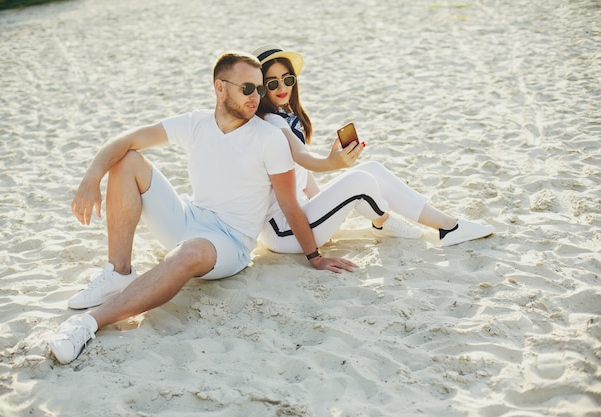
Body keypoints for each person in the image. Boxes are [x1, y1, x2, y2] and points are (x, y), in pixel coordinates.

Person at [47, 51, 357, 364]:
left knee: (190, 252)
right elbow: (127, 139)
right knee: (127, 160)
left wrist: (314, 257)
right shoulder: (195, 123)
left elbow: (290, 203)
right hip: (189, 217)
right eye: (247, 88)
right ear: (220, 88)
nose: (256, 97)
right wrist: (91, 178)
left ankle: (88, 323)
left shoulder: (269, 138)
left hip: (229, 242)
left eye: (260, 89)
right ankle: (118, 271)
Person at [250, 44, 495, 254]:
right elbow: (303, 158)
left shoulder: (285, 116)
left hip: (305, 216)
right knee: (359, 179)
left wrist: (326, 203)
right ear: (260, 88)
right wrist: (332, 163)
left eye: (288, 79)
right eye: (272, 83)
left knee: (371, 169)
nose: (282, 87)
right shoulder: (271, 123)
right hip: (284, 231)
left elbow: (303, 175)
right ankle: (383, 221)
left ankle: (448, 225)